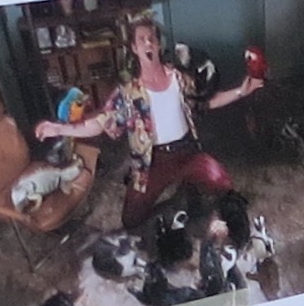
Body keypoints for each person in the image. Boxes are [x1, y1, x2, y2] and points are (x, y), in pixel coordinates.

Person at [34, 13, 261, 228]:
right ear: (134, 48)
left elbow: (206, 102)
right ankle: (177, 201)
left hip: (187, 152)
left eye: (152, 38)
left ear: (159, 45)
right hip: (152, 161)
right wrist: (59, 128)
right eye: (141, 40)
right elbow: (98, 123)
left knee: (221, 182)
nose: (148, 43)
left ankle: (188, 190)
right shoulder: (128, 93)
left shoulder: (179, 78)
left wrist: (241, 91)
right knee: (131, 220)